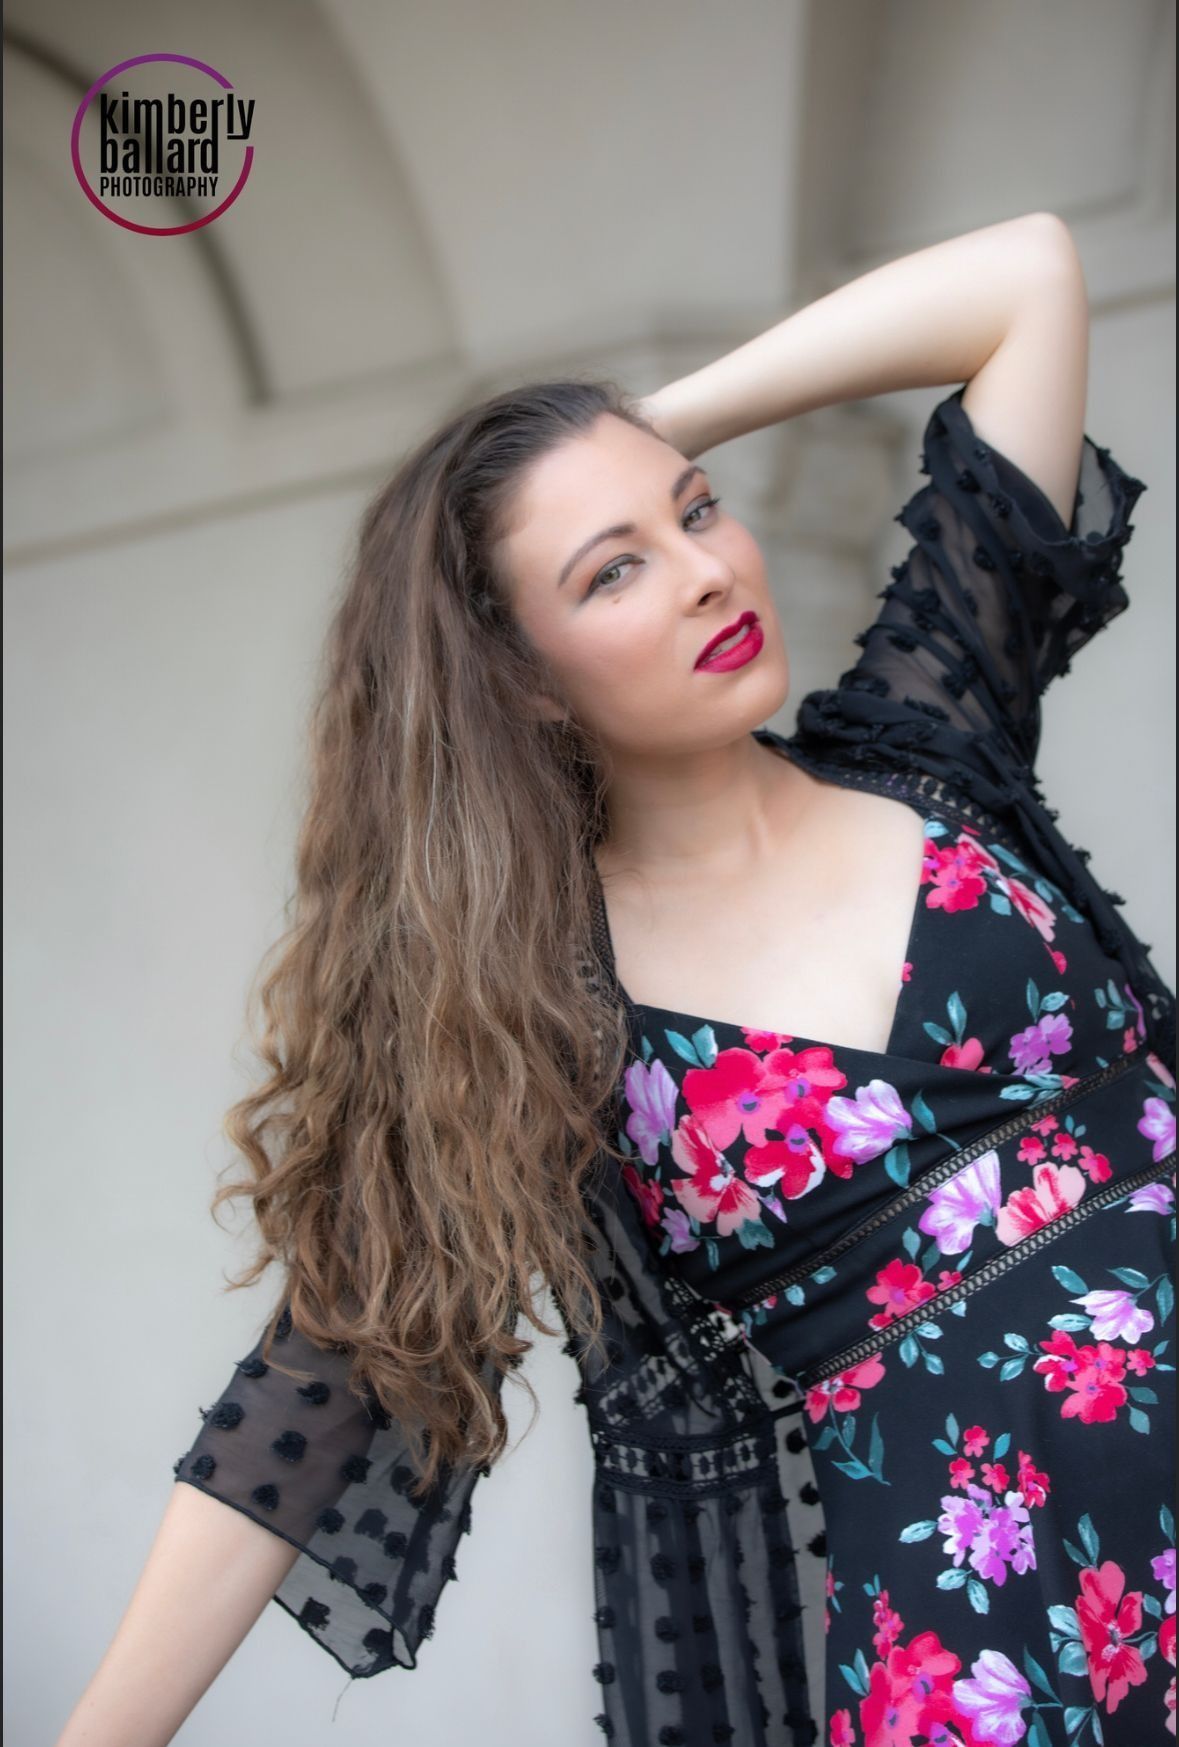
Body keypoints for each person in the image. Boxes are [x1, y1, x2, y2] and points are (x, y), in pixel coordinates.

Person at [56, 211, 1175, 1747]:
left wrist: (642, 430)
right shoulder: (533, 1023)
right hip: (986, 1646)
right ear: (517, 676)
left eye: (699, 510)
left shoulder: (936, 741)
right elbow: (316, 1386)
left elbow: (1029, 275)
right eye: (614, 571)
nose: (707, 573)